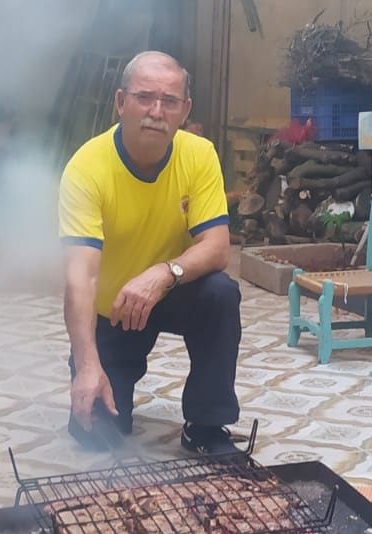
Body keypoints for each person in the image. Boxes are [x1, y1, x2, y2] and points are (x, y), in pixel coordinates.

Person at [59, 51, 241, 455]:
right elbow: (81, 277)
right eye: (144, 97)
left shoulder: (199, 154)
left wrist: (164, 273)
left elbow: (216, 246)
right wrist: (87, 365)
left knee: (220, 293)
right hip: (114, 311)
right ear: (121, 102)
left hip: (172, 292)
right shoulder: (86, 168)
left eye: (169, 101)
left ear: (184, 110)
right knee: (98, 435)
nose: (156, 111)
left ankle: (207, 426)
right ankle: (94, 372)